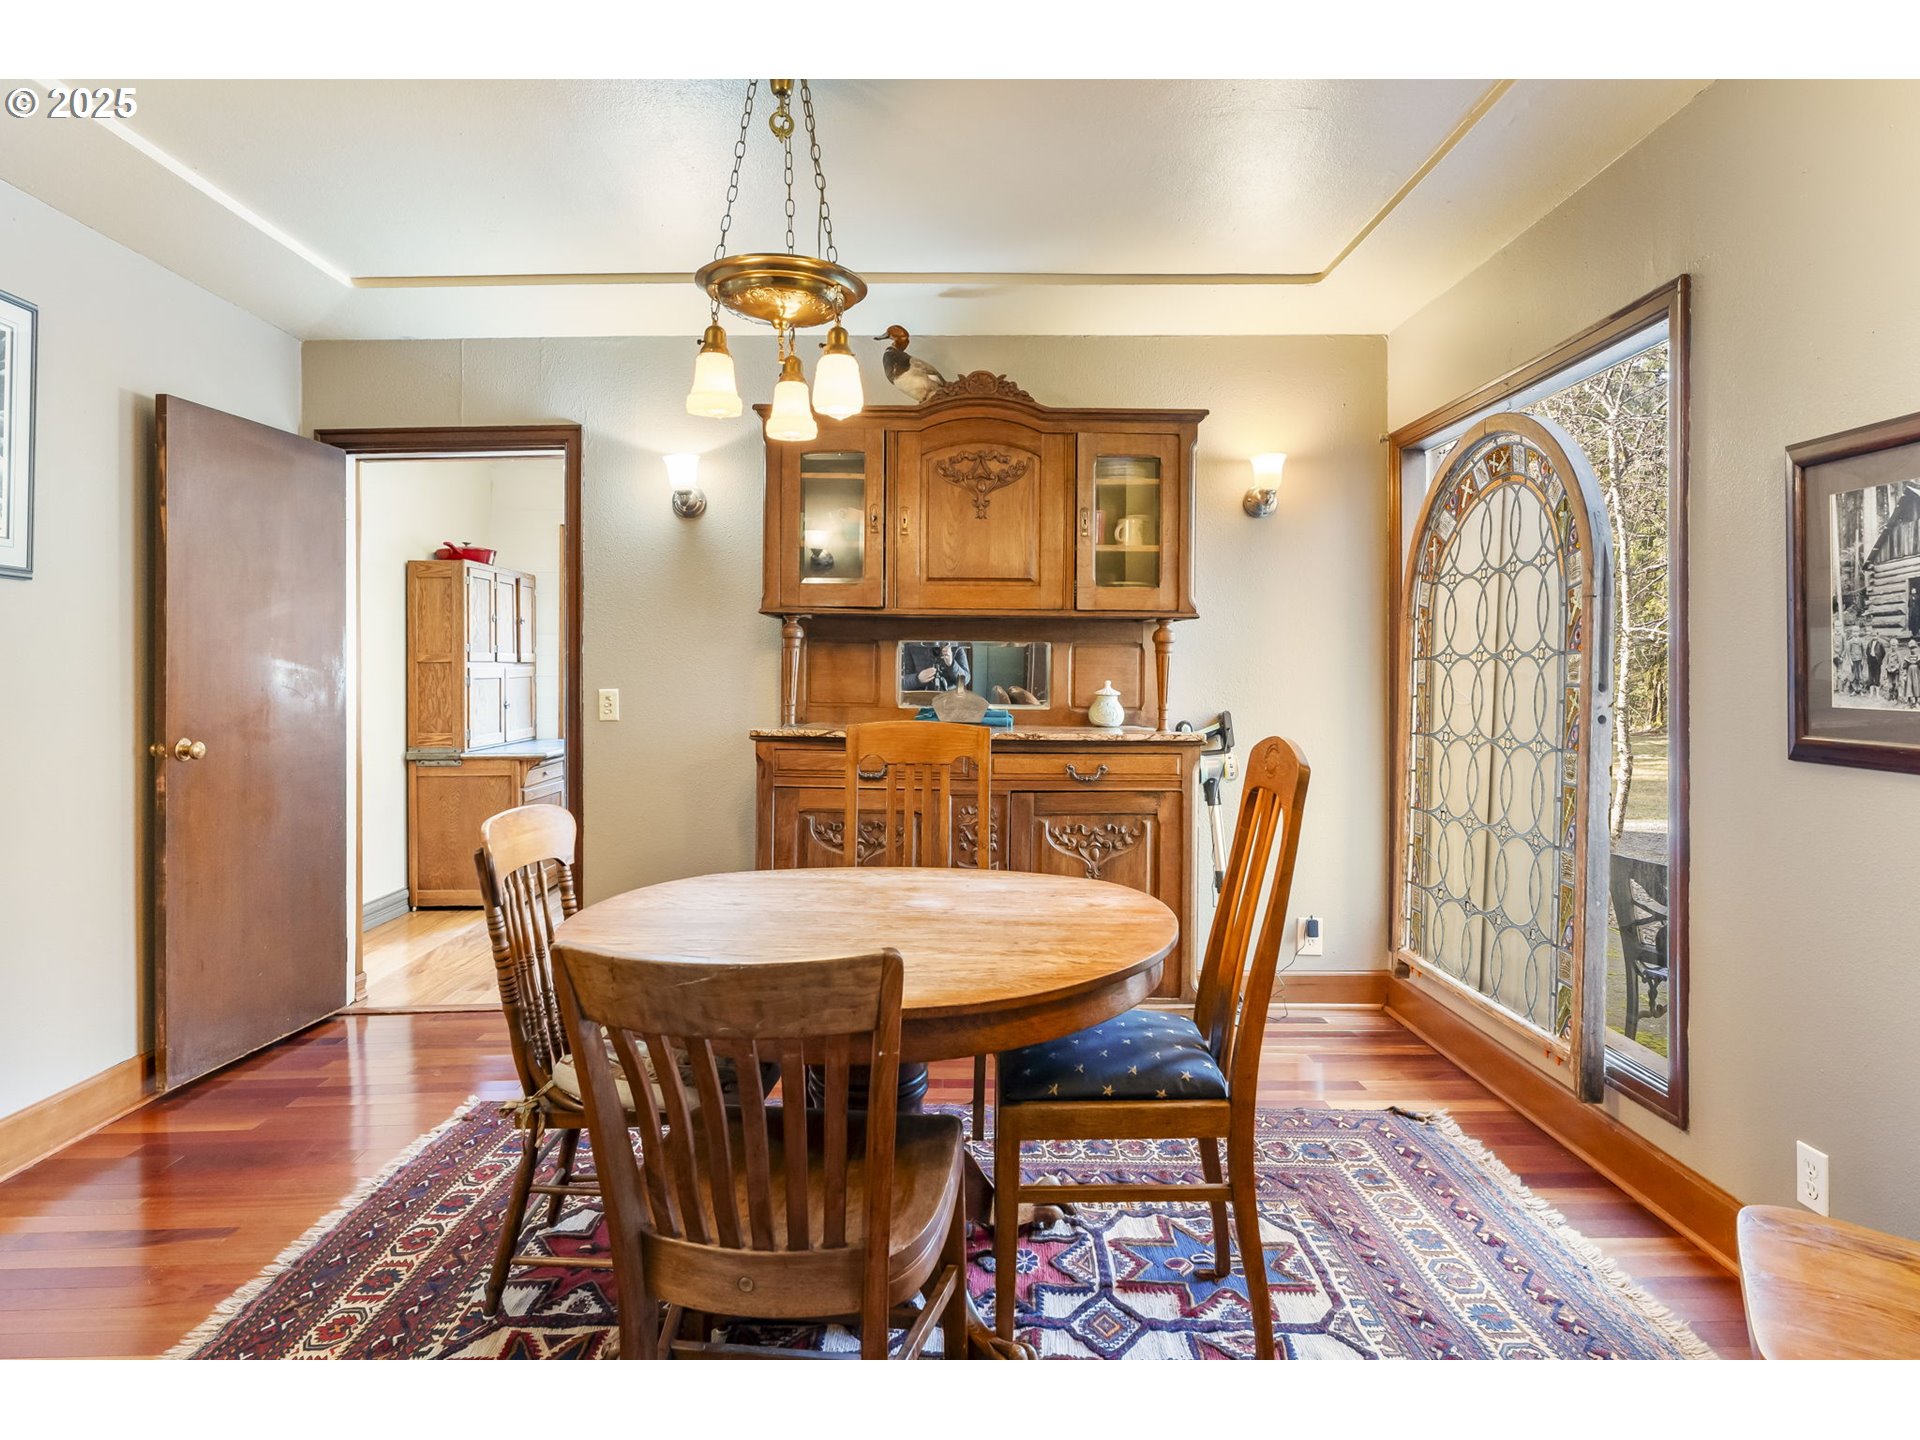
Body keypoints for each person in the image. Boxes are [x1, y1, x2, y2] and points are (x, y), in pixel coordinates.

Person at [900, 640, 971, 692]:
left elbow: (964, 681)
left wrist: (952, 664)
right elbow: (900, 683)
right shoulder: (911, 646)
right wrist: (918, 679)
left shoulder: (956, 647)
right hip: (920, 701)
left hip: (949, 701)